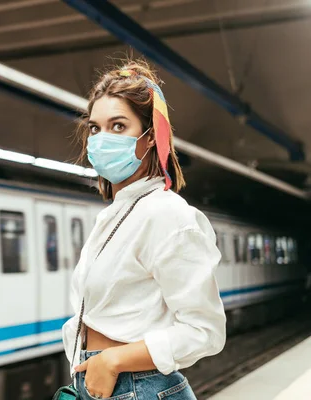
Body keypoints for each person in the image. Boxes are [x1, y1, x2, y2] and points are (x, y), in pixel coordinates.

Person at [61, 59, 226, 400]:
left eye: (118, 126)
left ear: (150, 137)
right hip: (103, 383)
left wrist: (114, 361)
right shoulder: (116, 215)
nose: (101, 139)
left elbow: (205, 330)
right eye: (95, 128)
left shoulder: (167, 215)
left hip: (139, 388)